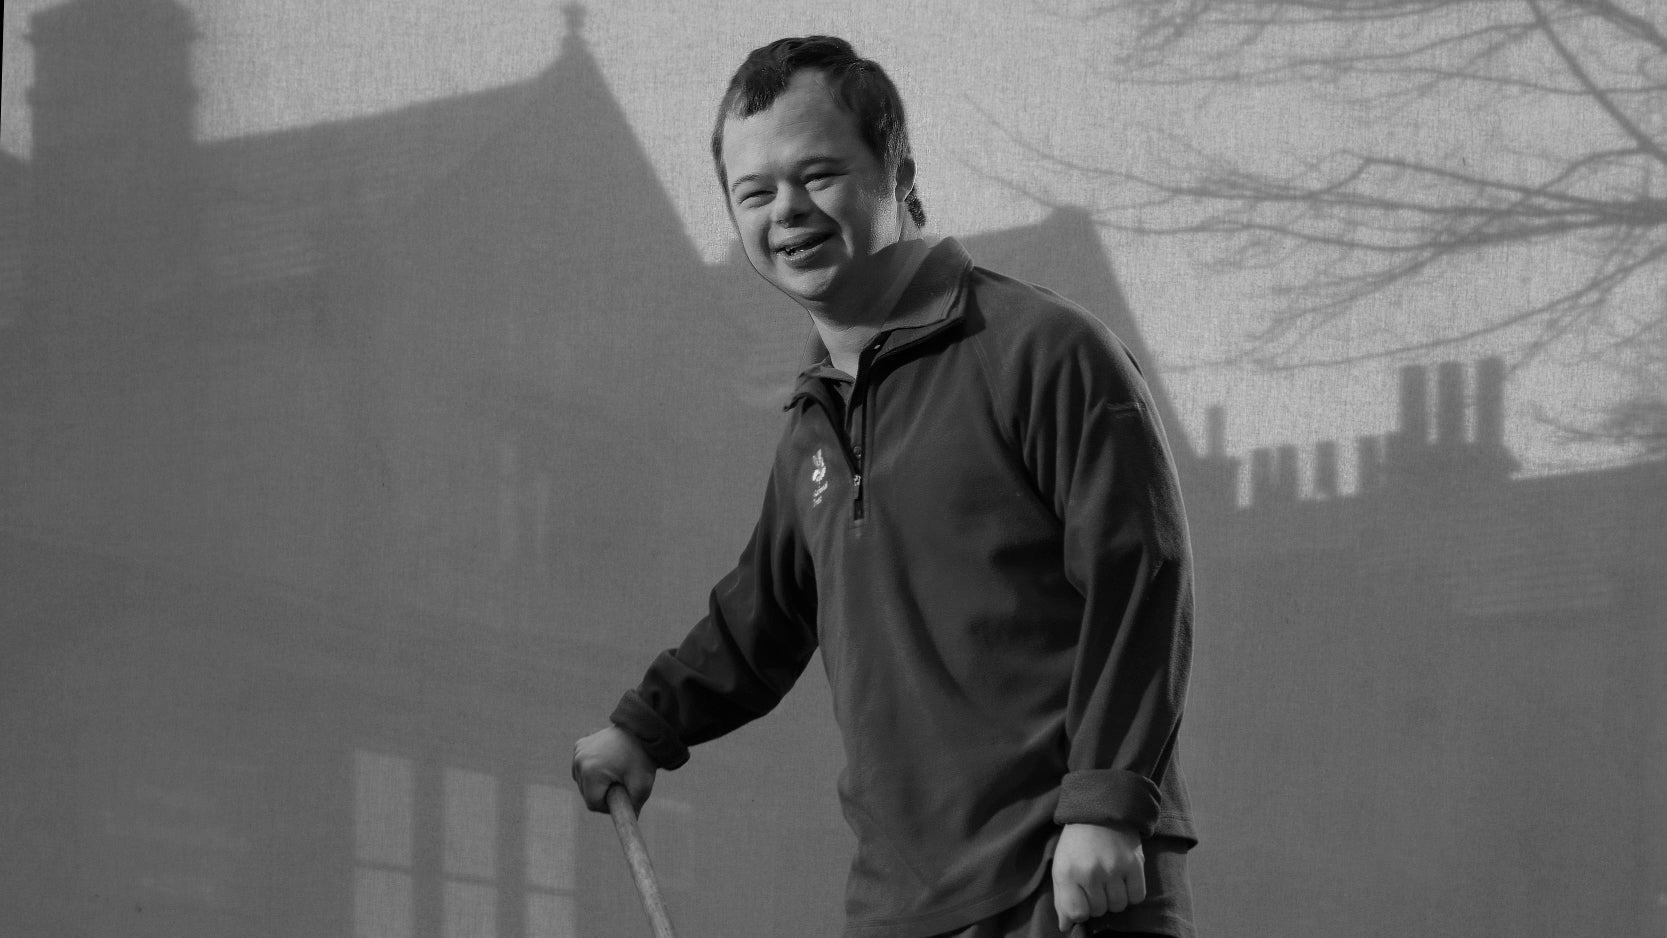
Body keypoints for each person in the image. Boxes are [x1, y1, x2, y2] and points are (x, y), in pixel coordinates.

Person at [572, 36, 1198, 938]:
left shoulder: (1045, 350)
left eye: (816, 173)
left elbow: (1142, 579)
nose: (784, 211)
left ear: (896, 170)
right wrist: (645, 726)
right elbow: (761, 617)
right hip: (901, 907)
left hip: (1067, 888)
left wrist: (1104, 804)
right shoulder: (813, 420)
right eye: (753, 193)